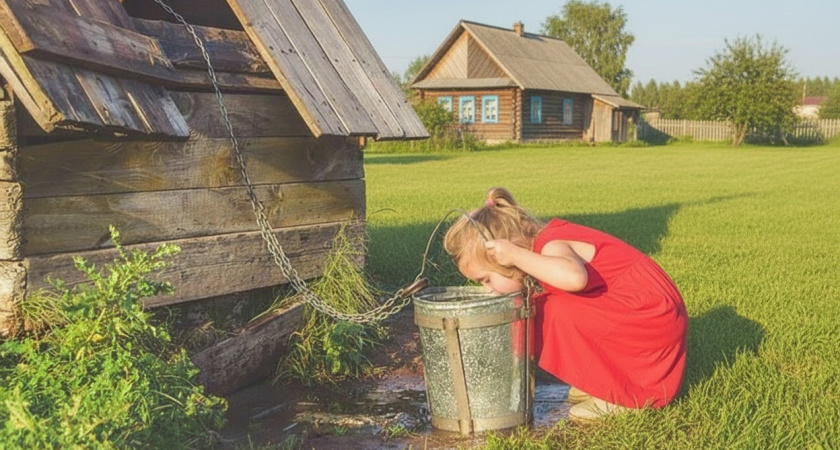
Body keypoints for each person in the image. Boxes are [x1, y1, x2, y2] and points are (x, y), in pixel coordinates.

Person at [443, 187, 688, 421]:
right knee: (552, 306)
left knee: (547, 311)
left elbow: (575, 278)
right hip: (647, 312)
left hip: (649, 315)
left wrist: (517, 256)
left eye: (486, 279)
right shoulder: (548, 242)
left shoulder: (552, 244)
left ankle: (625, 398)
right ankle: (603, 382)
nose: (488, 289)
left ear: (506, 255)